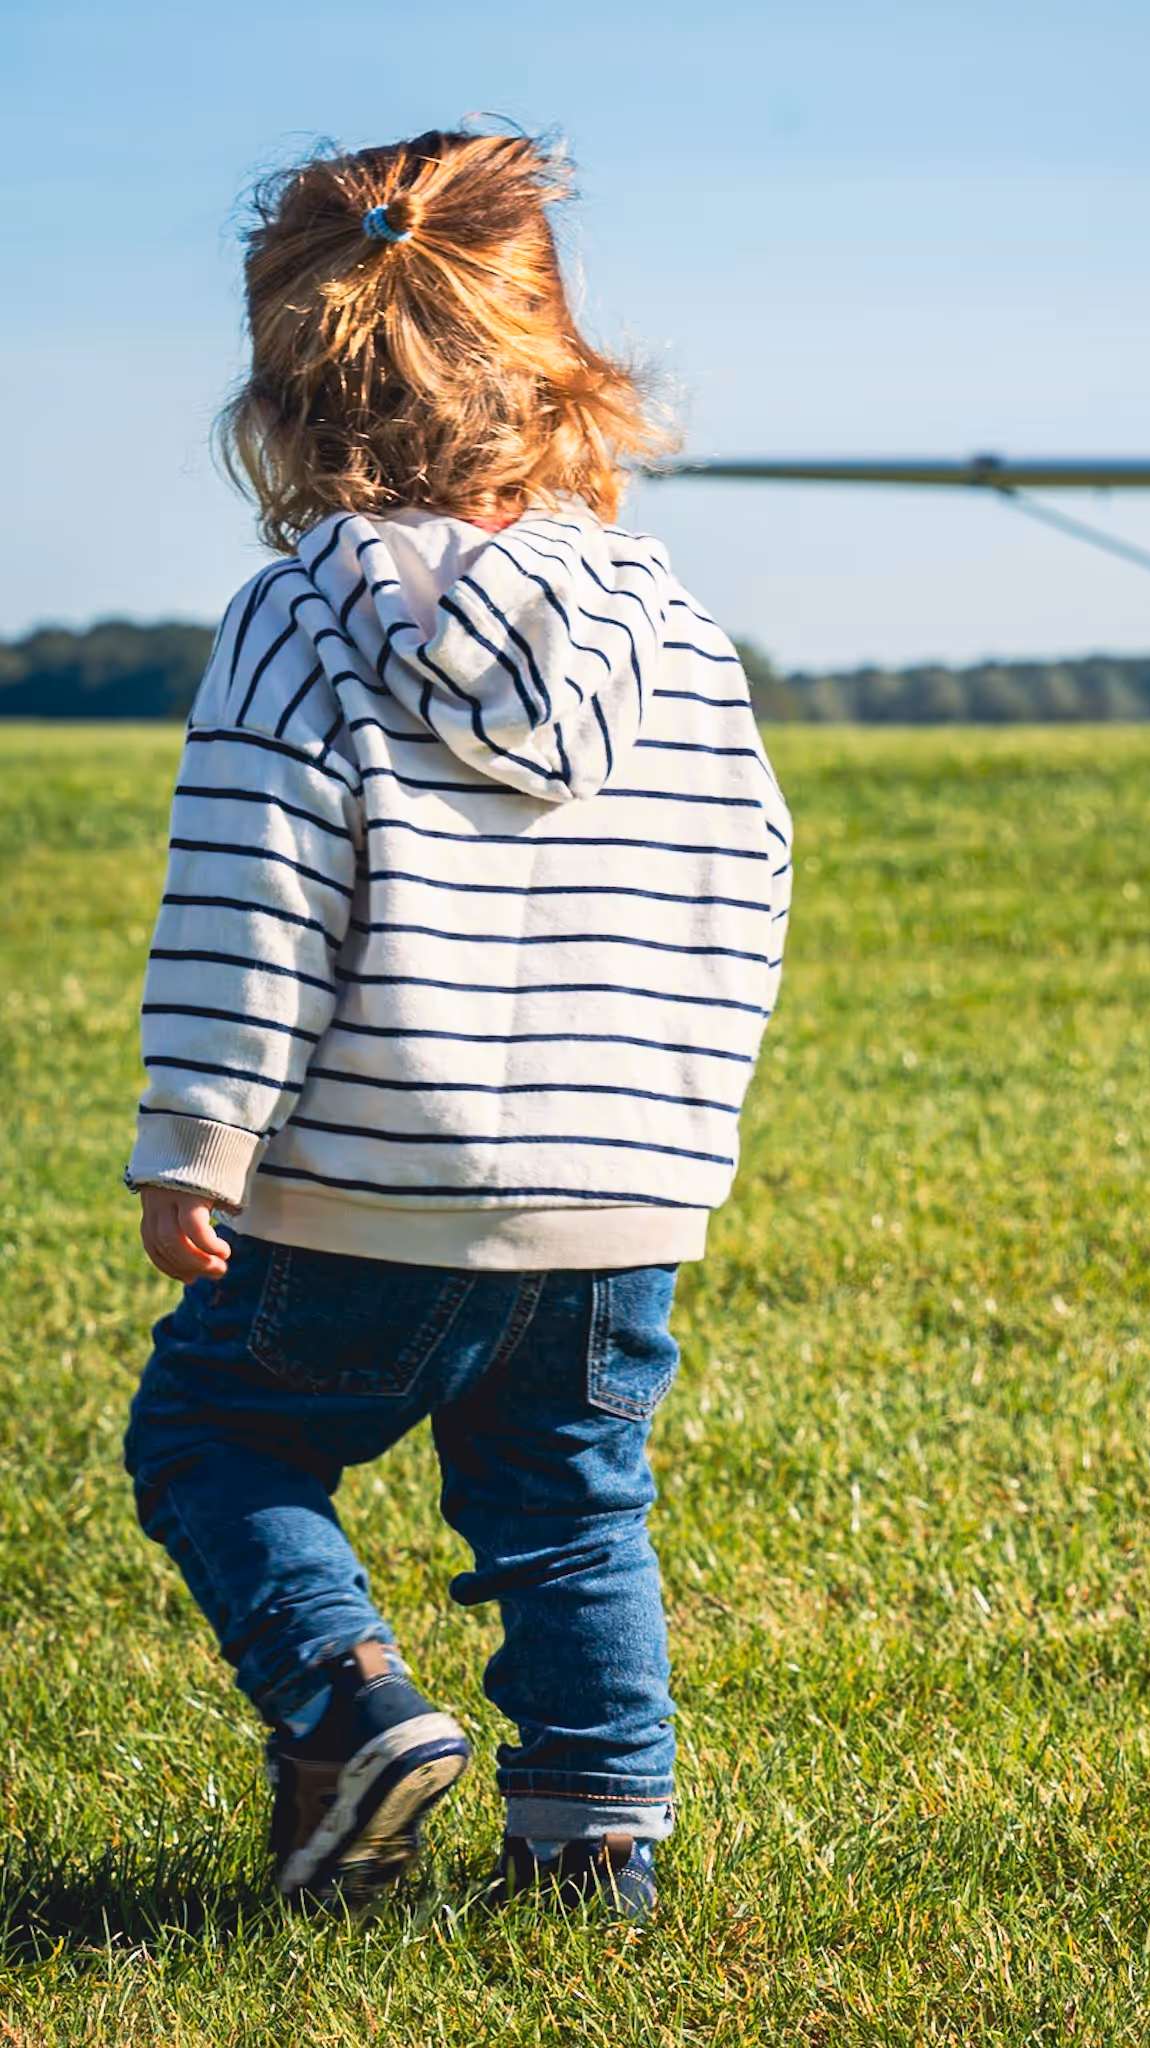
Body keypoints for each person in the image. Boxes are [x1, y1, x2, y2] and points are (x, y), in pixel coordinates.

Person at [121, 128, 792, 1922]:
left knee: (212, 1443)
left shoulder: (295, 624)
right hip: (616, 1194)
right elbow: (744, 883)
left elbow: (250, 905)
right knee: (571, 1514)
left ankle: (350, 1708)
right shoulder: (675, 627)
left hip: (363, 1185)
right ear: (561, 361)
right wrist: (675, 1132)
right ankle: (595, 1857)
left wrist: (198, 1140)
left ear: (288, 392)